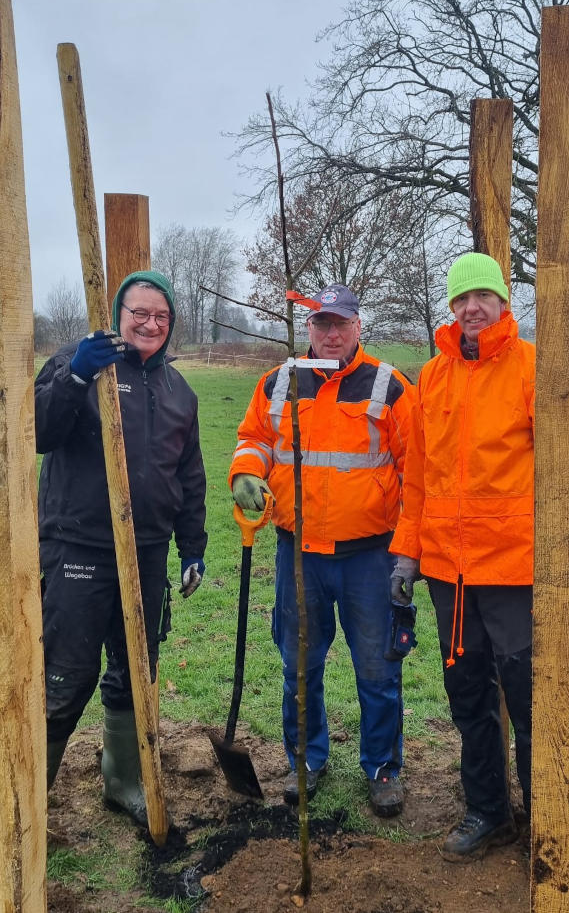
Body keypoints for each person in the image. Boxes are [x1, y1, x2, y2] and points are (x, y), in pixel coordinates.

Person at [229, 284, 414, 817]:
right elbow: (254, 439)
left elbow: (416, 469)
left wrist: (409, 550)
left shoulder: (389, 386)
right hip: (299, 553)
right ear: (309, 328)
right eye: (322, 324)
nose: (331, 334)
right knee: (300, 666)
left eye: (341, 323)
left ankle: (382, 768)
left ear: (358, 326)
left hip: (369, 556)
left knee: (378, 669)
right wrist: (245, 472)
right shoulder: (279, 381)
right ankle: (305, 760)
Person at [36, 270, 207, 824]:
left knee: (136, 670)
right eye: (139, 313)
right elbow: (37, 431)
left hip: (148, 552)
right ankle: (27, 797)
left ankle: (123, 781)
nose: (150, 324)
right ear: (118, 314)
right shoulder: (78, 361)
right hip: (79, 546)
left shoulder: (179, 392)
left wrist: (193, 547)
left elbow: (189, 476)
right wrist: (76, 376)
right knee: (65, 674)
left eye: (161, 316)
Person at [390, 252, 535, 860]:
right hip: (448, 572)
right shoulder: (431, 377)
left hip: (514, 567)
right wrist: (407, 555)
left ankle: (549, 815)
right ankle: (489, 811)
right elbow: (418, 478)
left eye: (483, 296)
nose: (472, 308)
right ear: (451, 307)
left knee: (528, 696)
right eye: (462, 299)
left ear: (503, 301)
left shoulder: (531, 367)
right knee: (469, 695)